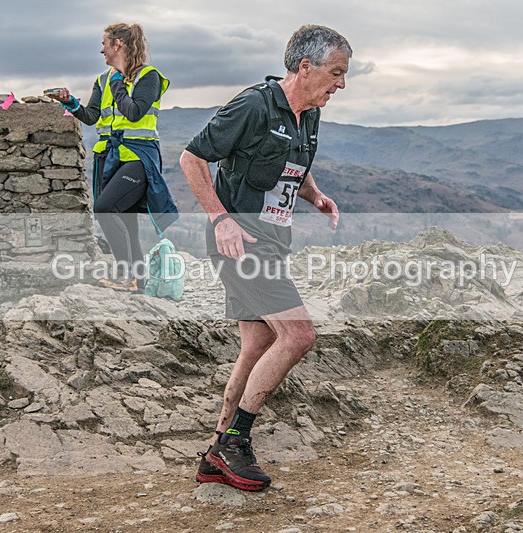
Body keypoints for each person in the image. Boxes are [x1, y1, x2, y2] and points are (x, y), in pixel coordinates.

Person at [180, 24, 351, 491]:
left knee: (257, 344)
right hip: (242, 241)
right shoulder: (253, 105)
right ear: (304, 67)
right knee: (298, 336)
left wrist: (314, 195)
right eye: (335, 73)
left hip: (273, 239)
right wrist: (221, 219)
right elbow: (191, 159)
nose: (340, 84)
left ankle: (216, 449)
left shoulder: (310, 110)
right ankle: (235, 442)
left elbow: (296, 160)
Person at [48, 22, 178, 292]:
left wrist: (119, 82)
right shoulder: (103, 79)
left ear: (118, 44)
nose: (101, 50)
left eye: (105, 44)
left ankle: (125, 276)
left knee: (105, 209)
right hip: (110, 157)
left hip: (138, 158)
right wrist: (69, 102)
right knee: (127, 222)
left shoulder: (149, 77)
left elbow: (133, 113)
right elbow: (93, 116)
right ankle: (137, 284)